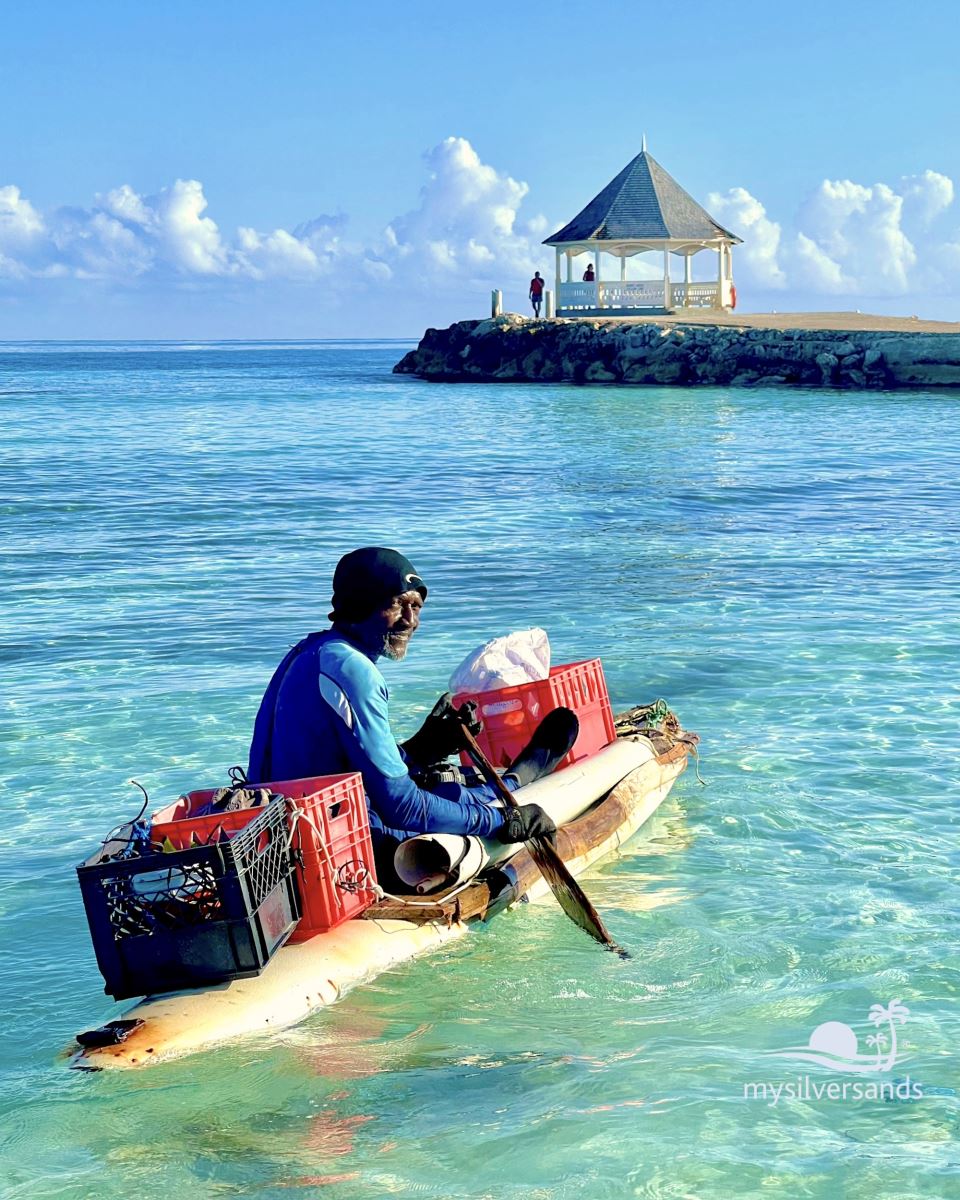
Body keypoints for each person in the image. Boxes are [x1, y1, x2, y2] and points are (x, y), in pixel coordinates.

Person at [247, 547, 578, 880]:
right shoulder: (351, 669)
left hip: (281, 835)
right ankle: (510, 784)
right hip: (334, 849)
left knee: (432, 783)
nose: (411, 621)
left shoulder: (308, 651)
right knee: (448, 800)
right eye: (396, 604)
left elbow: (336, 767)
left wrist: (424, 745)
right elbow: (401, 806)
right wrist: (501, 822)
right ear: (360, 602)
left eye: (416, 607)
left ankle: (510, 780)